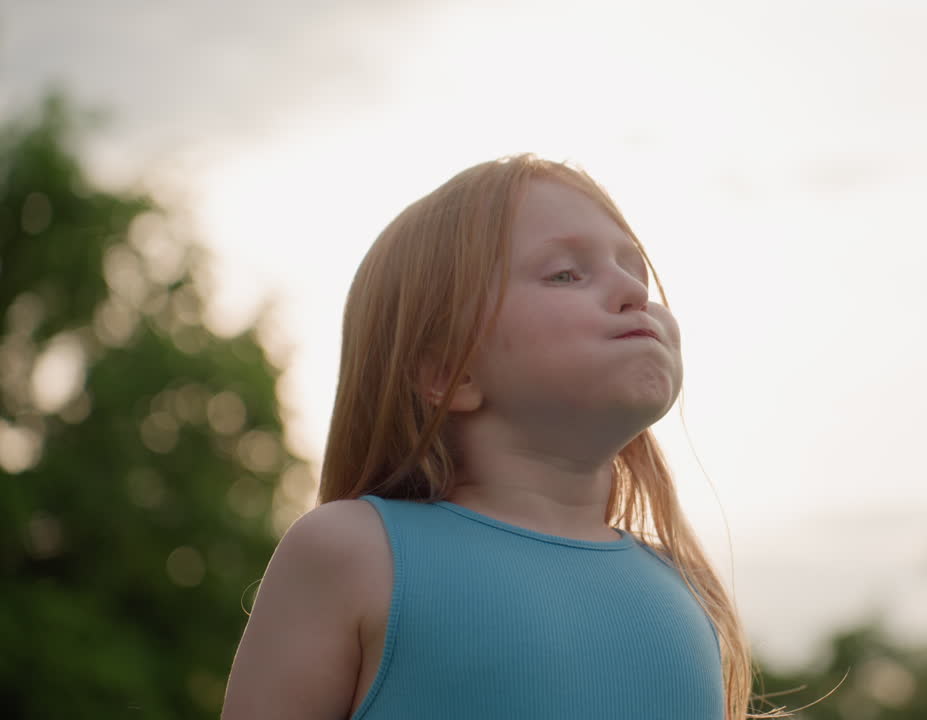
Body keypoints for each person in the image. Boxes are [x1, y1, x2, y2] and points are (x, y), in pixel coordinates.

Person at [221, 155, 790, 719]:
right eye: (566, 274)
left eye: (635, 272)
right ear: (450, 372)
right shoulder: (353, 552)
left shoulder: (685, 587)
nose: (631, 291)